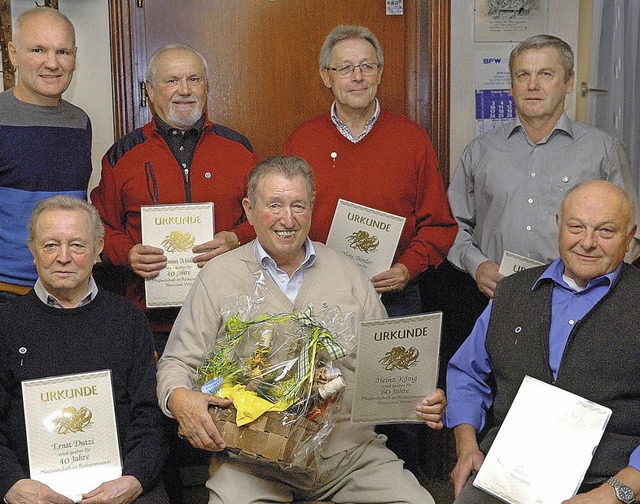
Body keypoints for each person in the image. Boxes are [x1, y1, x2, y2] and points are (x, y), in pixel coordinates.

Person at [156, 155, 447, 504]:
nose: (287, 219)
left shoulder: (349, 273)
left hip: (350, 457)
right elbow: (177, 362)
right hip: (253, 461)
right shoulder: (218, 276)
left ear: (312, 208)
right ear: (249, 210)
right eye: (274, 205)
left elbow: (384, 366)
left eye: (298, 205)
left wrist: (420, 397)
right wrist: (178, 397)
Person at [446, 180, 640, 503]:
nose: (587, 242)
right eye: (576, 227)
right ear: (559, 226)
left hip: (608, 479)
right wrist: (466, 445)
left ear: (629, 237)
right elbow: (466, 373)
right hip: (507, 471)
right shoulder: (511, 294)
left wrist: (618, 491)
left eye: (605, 231)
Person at [91, 42, 259, 353]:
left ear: (206, 87)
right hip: (149, 325)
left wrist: (236, 239)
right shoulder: (123, 155)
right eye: (172, 81)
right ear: (151, 91)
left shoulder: (239, 149)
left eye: (194, 79)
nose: (184, 90)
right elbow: (99, 226)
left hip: (229, 317)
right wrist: (128, 253)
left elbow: (266, 219)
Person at [0, 196, 168, 503]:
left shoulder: (127, 318)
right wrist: (10, 484)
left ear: (98, 249)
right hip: (30, 492)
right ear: (32, 249)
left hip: (121, 489)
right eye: (51, 245)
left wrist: (135, 478)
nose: (63, 257)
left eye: (77, 245)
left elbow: (150, 415)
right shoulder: (5, 324)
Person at [447, 34, 638, 300]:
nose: (533, 85)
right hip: (499, 297)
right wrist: (477, 265)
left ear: (568, 82)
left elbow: (629, 231)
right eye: (522, 75)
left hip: (580, 299)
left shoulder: (603, 150)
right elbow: (451, 224)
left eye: (546, 74)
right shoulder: (480, 151)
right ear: (511, 86)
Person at [284, 24, 457, 318]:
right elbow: (284, 219)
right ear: (326, 76)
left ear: (379, 73)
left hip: (395, 298)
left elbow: (438, 224)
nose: (357, 77)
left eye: (367, 66)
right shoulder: (302, 141)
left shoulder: (412, 139)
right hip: (318, 294)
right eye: (346, 68)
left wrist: (407, 268)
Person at [0, 7, 92, 305]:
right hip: (8, 292)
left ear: (74, 57)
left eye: (62, 51)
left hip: (70, 289)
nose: (52, 63)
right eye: (38, 50)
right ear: (13, 54)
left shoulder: (80, 122)